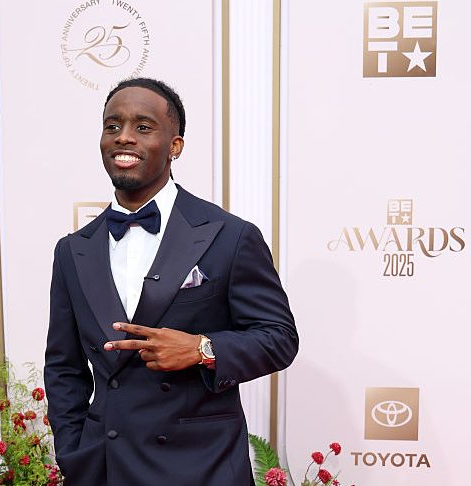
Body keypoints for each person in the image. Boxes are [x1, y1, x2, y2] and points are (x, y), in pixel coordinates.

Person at [44, 77, 298, 486]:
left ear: (175, 145)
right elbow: (63, 368)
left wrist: (202, 348)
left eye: (143, 127)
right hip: (106, 468)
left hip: (202, 466)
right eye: (112, 126)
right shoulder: (73, 250)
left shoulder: (229, 235)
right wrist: (74, 453)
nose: (124, 137)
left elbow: (279, 338)